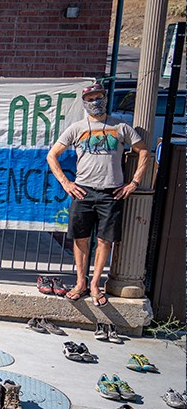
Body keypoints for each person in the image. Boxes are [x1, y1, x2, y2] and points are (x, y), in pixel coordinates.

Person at [46, 82, 150, 305]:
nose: (95, 102)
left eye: (98, 97)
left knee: (105, 240)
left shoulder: (121, 127)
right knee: (80, 239)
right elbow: (52, 155)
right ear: (85, 103)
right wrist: (66, 183)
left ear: (105, 98)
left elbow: (143, 151)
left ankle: (95, 284)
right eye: (90, 98)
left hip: (111, 193)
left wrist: (134, 182)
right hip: (83, 192)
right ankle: (80, 282)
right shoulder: (77, 128)